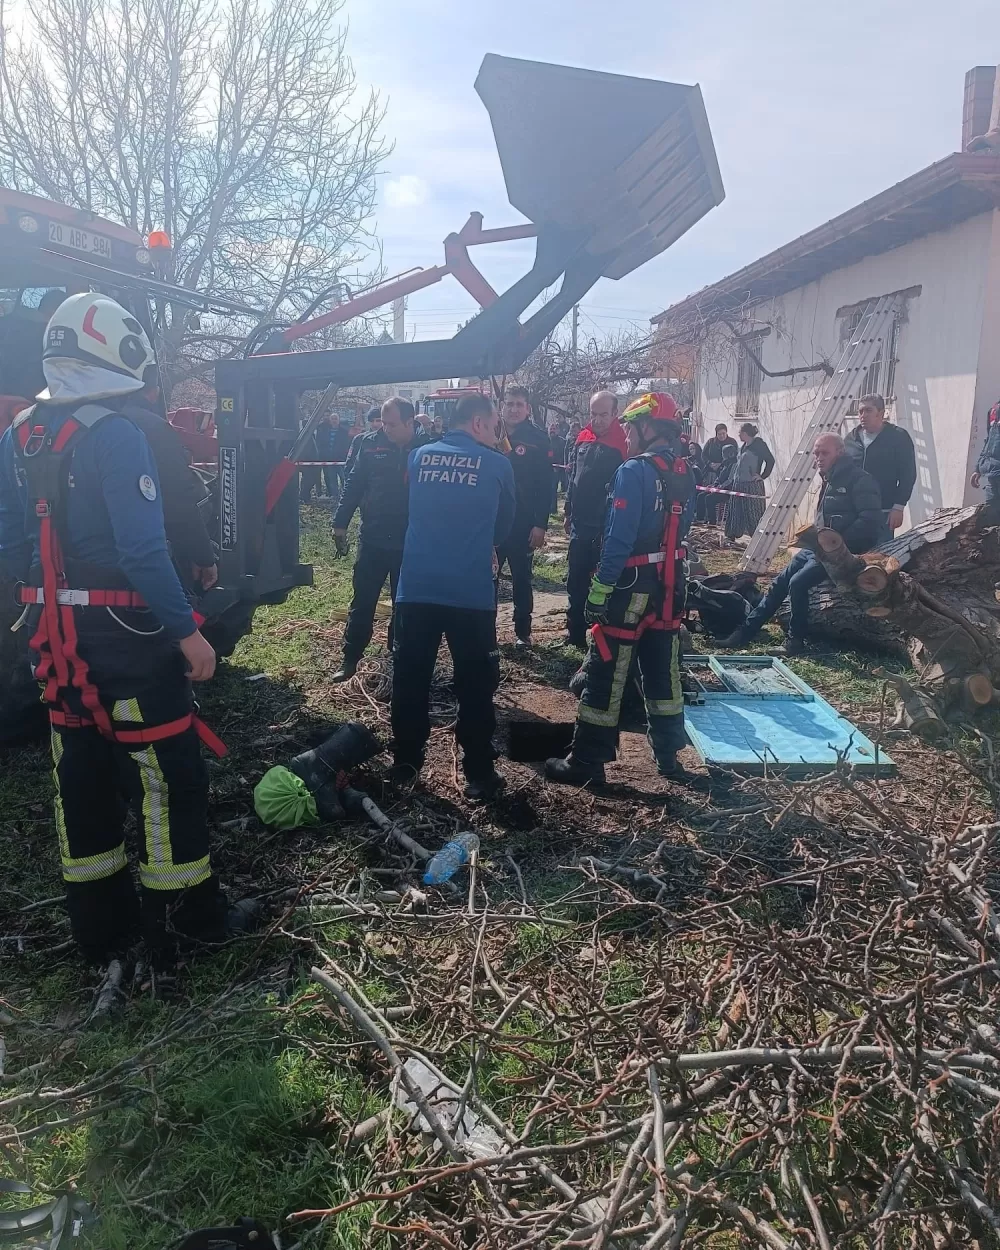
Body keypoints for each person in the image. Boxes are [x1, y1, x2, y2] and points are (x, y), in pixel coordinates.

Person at [0, 293, 256, 966]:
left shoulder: (20, 432)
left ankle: (100, 927)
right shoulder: (117, 434)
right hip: (127, 644)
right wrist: (187, 632)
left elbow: (10, 540)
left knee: (80, 779)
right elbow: (143, 552)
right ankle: (187, 924)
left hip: (56, 645)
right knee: (166, 779)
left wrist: (36, 606)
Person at [545, 393, 694, 787]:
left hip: (630, 588)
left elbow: (618, 539)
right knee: (662, 670)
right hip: (670, 589)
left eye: (630, 427)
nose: (626, 435)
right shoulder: (683, 471)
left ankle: (587, 760)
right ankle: (668, 756)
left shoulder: (633, 471)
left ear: (648, 427)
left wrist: (599, 591)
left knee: (605, 669)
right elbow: (682, 531)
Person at [390, 393, 516, 801]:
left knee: (411, 678)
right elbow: (505, 526)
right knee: (475, 684)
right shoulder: (498, 464)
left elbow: (410, 509)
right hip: (470, 592)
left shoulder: (418, 457)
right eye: (494, 425)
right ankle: (478, 772)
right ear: (478, 423)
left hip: (416, 588)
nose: (496, 433)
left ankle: (405, 764)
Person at [717, 433, 881, 655]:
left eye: (825, 453)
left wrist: (837, 544)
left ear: (840, 453)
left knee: (798, 583)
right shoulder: (829, 478)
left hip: (844, 554)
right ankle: (745, 632)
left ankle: (795, 642)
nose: (819, 458)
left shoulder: (860, 480)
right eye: (816, 453)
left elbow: (870, 521)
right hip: (818, 549)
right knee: (779, 582)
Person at [330, 397, 425, 681]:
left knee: (403, 604)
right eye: (383, 423)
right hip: (373, 536)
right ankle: (350, 658)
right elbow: (354, 484)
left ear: (410, 422)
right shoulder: (369, 444)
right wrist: (340, 523)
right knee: (363, 600)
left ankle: (399, 656)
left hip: (410, 540)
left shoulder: (428, 447)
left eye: (392, 424)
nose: (386, 429)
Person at [563, 390, 628, 647]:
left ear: (615, 413)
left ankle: (603, 637)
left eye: (603, 415)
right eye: (593, 414)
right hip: (580, 524)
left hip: (605, 527)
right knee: (575, 580)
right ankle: (575, 633)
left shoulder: (623, 444)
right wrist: (568, 511)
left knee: (604, 584)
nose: (597, 420)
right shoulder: (583, 438)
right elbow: (573, 478)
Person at [495, 386, 552, 647]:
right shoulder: (489, 432)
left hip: (523, 522)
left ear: (528, 409)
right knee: (488, 578)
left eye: (519, 404)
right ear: (501, 406)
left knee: (521, 579)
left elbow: (546, 485)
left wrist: (540, 524)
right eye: (509, 404)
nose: (514, 409)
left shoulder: (537, 439)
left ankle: (522, 632)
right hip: (493, 521)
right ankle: (485, 631)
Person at [844, 394, 916, 544]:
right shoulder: (851, 439)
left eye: (868, 410)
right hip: (853, 512)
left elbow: (908, 474)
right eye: (860, 411)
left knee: (879, 555)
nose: (863, 415)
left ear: (881, 413)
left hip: (883, 512)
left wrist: (898, 507)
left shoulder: (898, 437)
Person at [724, 423, 775, 541]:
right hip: (739, 483)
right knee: (735, 510)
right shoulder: (743, 446)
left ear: (745, 433)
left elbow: (770, 460)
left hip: (752, 485)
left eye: (740, 432)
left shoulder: (759, 445)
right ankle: (731, 535)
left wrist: (762, 476)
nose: (738, 435)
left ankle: (757, 538)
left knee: (754, 513)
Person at [698, 423, 738, 522]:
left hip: (725, 488)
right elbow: (704, 455)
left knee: (709, 498)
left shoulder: (733, 464)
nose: (722, 436)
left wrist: (720, 486)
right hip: (713, 474)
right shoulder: (711, 442)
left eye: (723, 433)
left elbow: (730, 479)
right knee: (701, 496)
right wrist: (713, 485)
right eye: (719, 434)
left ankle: (713, 521)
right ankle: (700, 519)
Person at [972, 397, 1000, 524]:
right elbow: (989, 440)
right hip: (992, 474)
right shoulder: (994, 409)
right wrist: (978, 467)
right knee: (992, 520)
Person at [548, 419, 568, 516]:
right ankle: (552, 508)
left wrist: (562, 465)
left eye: (554, 429)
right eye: (551, 429)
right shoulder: (546, 441)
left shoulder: (562, 441)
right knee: (551, 488)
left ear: (558, 430)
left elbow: (565, 454)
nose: (552, 430)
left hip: (561, 468)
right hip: (549, 469)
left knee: (564, 489)